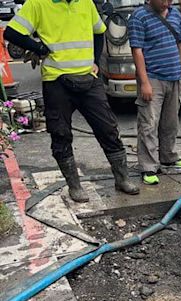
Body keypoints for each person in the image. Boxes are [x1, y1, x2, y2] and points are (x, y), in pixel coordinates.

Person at [5, 0, 139, 203]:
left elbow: (99, 31)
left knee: (108, 128)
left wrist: (95, 60)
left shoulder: (85, 2)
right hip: (56, 80)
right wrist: (39, 48)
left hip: (88, 79)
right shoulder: (37, 4)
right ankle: (74, 186)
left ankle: (122, 179)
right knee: (60, 133)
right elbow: (12, 33)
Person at [128, 0, 181, 186]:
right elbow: (137, 51)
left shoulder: (175, 13)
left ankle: (168, 157)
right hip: (153, 78)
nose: (167, 2)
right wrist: (144, 82)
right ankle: (148, 167)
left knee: (170, 122)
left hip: (174, 77)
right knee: (149, 123)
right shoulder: (139, 17)